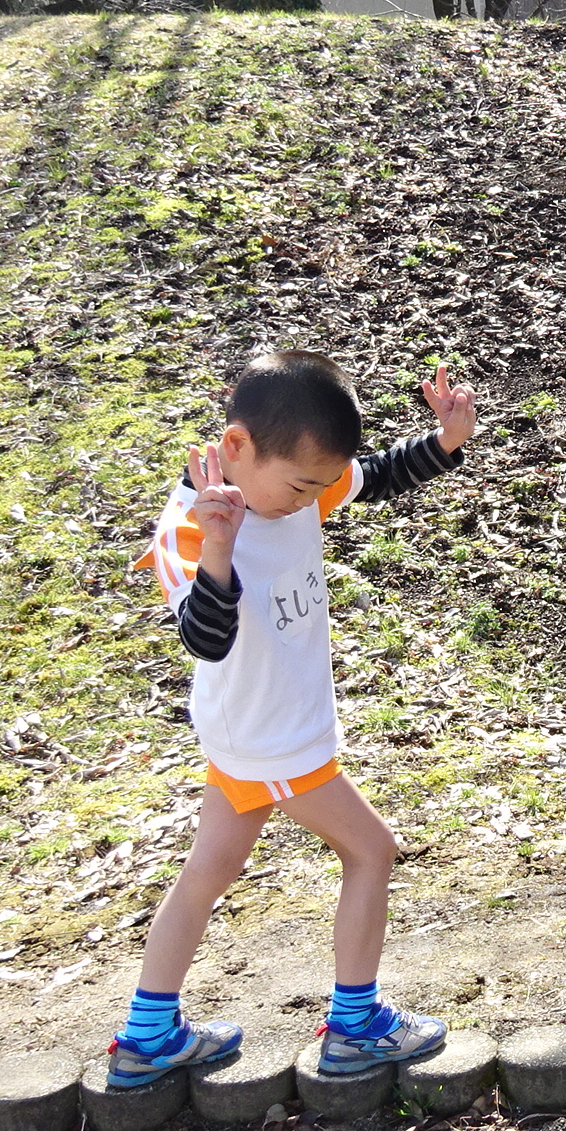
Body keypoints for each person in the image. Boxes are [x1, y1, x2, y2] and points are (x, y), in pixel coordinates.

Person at [118, 349, 474, 1089]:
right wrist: (221, 549)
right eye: (302, 486)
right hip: (271, 737)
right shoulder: (193, 528)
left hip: (252, 733)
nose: (313, 499)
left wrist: (445, 442)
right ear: (238, 445)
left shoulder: (291, 482)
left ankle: (147, 1035)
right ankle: (356, 1026)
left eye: (319, 485)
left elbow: (371, 476)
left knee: (207, 873)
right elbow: (205, 639)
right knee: (373, 851)